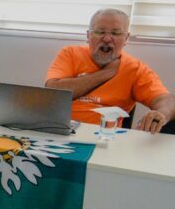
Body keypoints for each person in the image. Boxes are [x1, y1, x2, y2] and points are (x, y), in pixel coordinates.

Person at [45, 8, 175, 133]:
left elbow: (166, 100)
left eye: (116, 33)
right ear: (88, 35)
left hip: (104, 136)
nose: (107, 38)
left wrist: (161, 113)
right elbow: (53, 93)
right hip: (59, 129)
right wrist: (105, 74)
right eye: (100, 32)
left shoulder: (135, 68)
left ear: (126, 38)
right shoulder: (70, 53)